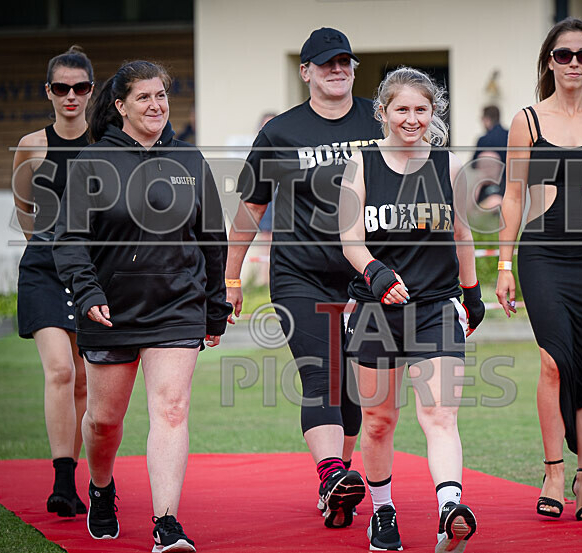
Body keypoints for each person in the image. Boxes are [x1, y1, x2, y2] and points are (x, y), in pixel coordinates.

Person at [53, 60, 231, 551]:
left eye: (162, 96)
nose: (156, 106)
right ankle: (102, 487)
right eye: (144, 98)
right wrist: (87, 292)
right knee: (105, 421)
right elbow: (69, 239)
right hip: (110, 309)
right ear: (120, 105)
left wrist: (215, 307)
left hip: (178, 305)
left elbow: (212, 239)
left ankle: (166, 523)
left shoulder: (190, 161)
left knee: (171, 411)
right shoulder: (91, 163)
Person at [225, 27, 383, 529]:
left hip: (366, 279)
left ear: (354, 68)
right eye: (326, 63)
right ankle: (331, 472)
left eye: (345, 62)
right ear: (306, 71)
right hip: (300, 275)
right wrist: (230, 280)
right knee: (322, 374)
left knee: (357, 395)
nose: (337, 70)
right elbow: (250, 210)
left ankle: (341, 485)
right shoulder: (281, 132)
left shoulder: (379, 122)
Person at [496, 18, 582, 521]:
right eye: (563, 55)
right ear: (549, 62)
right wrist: (504, 262)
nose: (573, 63)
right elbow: (513, 196)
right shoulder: (526, 121)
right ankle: (554, 470)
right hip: (542, 254)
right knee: (554, 361)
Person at [340, 67, 483, 552]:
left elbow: (463, 235)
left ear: (433, 113)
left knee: (440, 415)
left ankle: (449, 511)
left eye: (421, 109)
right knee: (379, 420)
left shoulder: (449, 166)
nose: (412, 118)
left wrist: (473, 292)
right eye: (401, 108)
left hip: (436, 307)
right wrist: (376, 274)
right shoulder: (362, 164)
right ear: (382, 112)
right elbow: (349, 239)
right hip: (374, 310)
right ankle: (382, 512)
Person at [12, 45, 94, 518]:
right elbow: (23, 207)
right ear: (49, 91)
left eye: (80, 88)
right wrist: (47, 246)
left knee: (84, 378)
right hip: (43, 269)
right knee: (60, 370)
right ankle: (63, 481)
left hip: (91, 273)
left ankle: (81, 478)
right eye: (61, 87)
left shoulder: (106, 142)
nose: (70, 96)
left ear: (91, 91)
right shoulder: (32, 145)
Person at [472, 105, 509, 208]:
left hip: (487, 186)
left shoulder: (483, 140)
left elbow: (474, 164)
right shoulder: (510, 135)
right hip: (509, 183)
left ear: (487, 119)